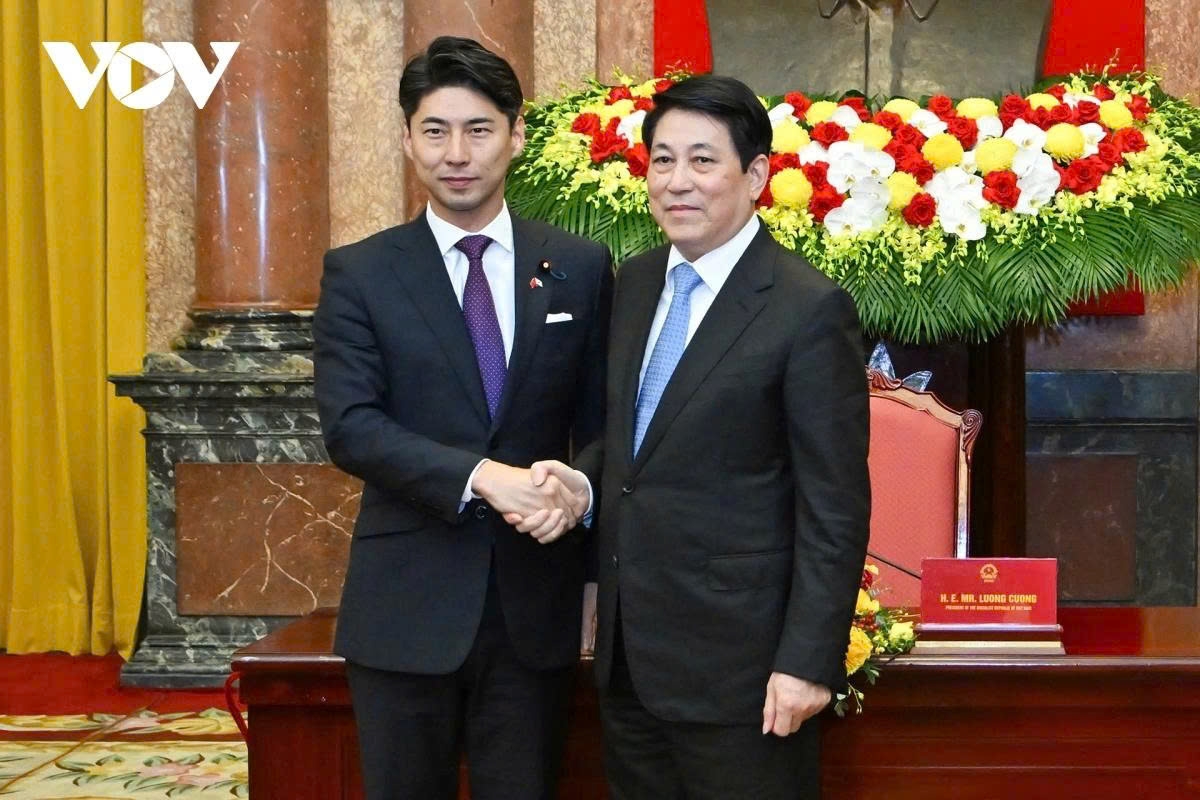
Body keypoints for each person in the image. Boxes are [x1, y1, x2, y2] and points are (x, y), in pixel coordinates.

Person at [515, 74, 870, 798]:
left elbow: (834, 505)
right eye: (663, 160)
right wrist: (582, 484)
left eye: (703, 160)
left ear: (758, 176)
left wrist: (807, 662)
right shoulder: (637, 283)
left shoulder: (807, 309)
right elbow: (632, 443)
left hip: (746, 675)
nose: (678, 181)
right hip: (631, 665)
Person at [312, 35, 612, 800]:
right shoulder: (362, 272)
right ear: (408, 140)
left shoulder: (576, 265)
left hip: (533, 611)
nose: (457, 152)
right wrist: (484, 479)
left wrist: (578, 489)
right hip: (405, 607)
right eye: (435, 130)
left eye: (478, 129)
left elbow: (609, 421)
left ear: (515, 135)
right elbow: (351, 425)